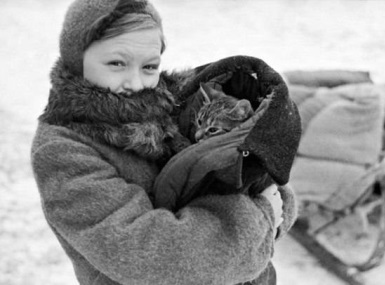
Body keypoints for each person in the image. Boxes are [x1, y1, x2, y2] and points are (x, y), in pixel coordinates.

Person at [31, 0, 295, 284]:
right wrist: (262, 218)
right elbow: (151, 256)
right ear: (77, 60)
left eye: (149, 66)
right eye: (116, 63)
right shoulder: (63, 149)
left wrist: (271, 198)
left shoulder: (176, 102)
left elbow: (274, 190)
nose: (135, 82)